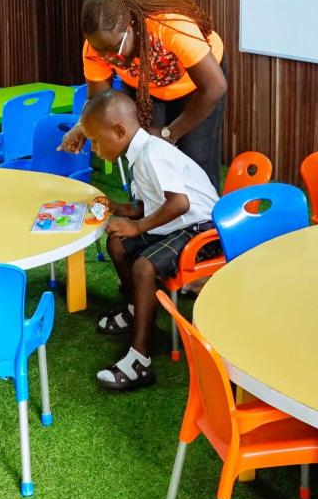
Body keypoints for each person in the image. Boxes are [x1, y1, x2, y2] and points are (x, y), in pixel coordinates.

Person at [78, 90, 218, 391]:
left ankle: (140, 361)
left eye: (97, 142)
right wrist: (121, 209)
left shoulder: (153, 153)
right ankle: (135, 310)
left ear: (119, 131)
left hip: (202, 231)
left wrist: (138, 226)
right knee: (117, 243)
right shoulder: (138, 153)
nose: (95, 150)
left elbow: (179, 203)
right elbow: (151, 204)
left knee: (144, 267)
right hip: (179, 223)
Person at [60, 0, 227, 189]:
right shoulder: (97, 48)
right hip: (144, 90)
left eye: (114, 48)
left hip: (198, 87)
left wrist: (168, 133)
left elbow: (214, 88)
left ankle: (203, 209)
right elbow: (99, 101)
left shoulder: (170, 26)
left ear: (131, 26)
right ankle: (145, 207)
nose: (108, 58)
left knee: (196, 155)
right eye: (100, 51)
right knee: (142, 152)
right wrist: (82, 126)